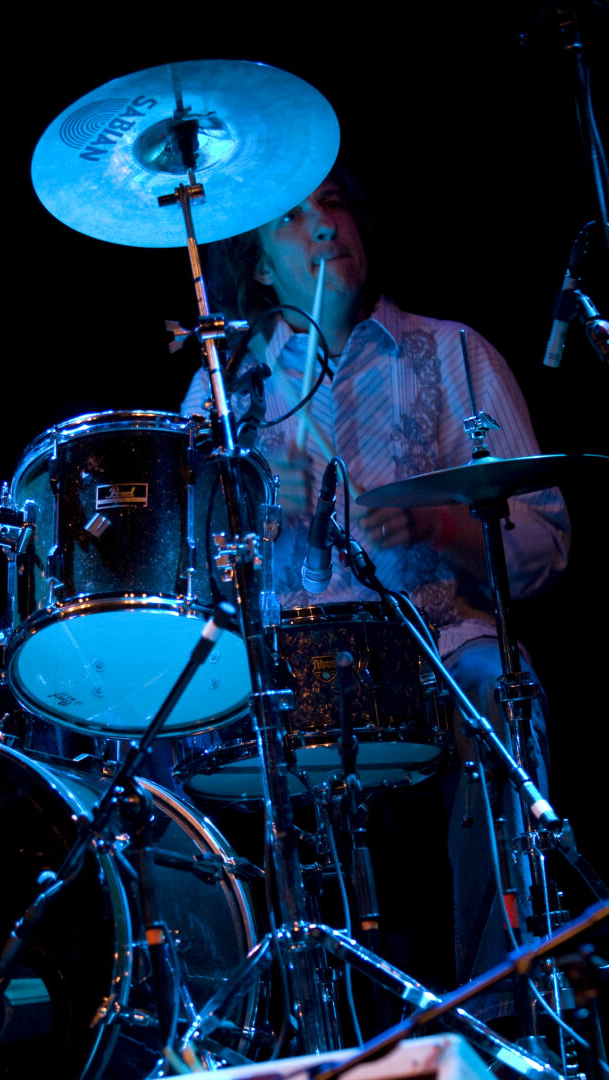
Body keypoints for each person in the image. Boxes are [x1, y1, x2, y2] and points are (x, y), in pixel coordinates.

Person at [181, 164, 570, 1023]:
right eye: (292, 217)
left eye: (333, 204)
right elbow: (190, 577)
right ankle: (257, 1024)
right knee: (172, 737)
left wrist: (439, 525)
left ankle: (504, 1010)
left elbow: (546, 544)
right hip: (287, 671)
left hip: (436, 648)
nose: (325, 226)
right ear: (260, 267)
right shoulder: (226, 390)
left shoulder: (453, 353)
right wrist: (250, 518)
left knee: (501, 688)